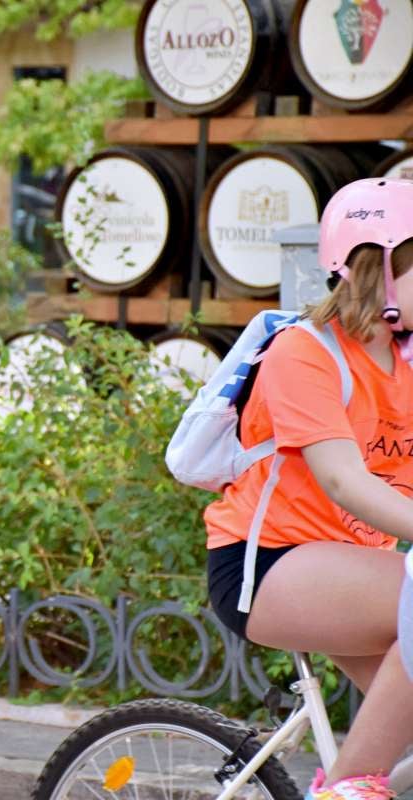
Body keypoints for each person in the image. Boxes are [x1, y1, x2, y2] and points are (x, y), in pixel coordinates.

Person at [204, 177, 413, 800]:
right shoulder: (305, 352)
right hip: (266, 567)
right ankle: (346, 789)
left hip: (357, 570)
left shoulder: (405, 360)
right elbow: (342, 480)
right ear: (380, 267)